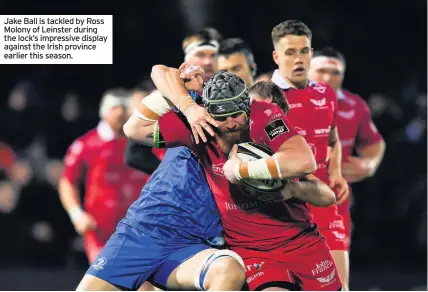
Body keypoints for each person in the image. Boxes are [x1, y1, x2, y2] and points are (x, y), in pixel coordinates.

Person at [124, 68, 342, 291]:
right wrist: (185, 101)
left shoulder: (268, 126)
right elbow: (134, 127)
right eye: (221, 116)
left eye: (236, 115)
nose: (230, 124)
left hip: (302, 241)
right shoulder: (200, 128)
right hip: (251, 251)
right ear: (209, 112)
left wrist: (245, 172)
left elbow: (310, 170)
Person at [78, 28, 248, 292]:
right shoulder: (192, 112)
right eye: (202, 56)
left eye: (234, 67)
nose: (209, 63)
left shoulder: (259, 120)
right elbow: (139, 119)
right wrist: (190, 108)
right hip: (141, 230)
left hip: (193, 244)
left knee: (228, 270)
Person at [270, 20, 351, 290]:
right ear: (276, 57)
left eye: (303, 51)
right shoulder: (264, 97)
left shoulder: (326, 93)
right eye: (290, 52)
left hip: (325, 204)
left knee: (340, 287)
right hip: (284, 210)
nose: (298, 59)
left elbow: (333, 139)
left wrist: (337, 173)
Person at [309, 47, 386, 288]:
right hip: (295, 199)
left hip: (336, 202)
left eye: (335, 72)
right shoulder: (286, 99)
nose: (328, 78)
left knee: (338, 282)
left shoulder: (354, 105)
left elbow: (375, 142)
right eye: (321, 71)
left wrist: (369, 164)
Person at [59, 89, 149, 264]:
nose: (120, 113)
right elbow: (67, 181)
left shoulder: (142, 141)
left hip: (138, 224)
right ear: (104, 112)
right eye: (115, 108)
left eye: (123, 107)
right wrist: (76, 214)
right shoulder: (87, 144)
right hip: (101, 228)